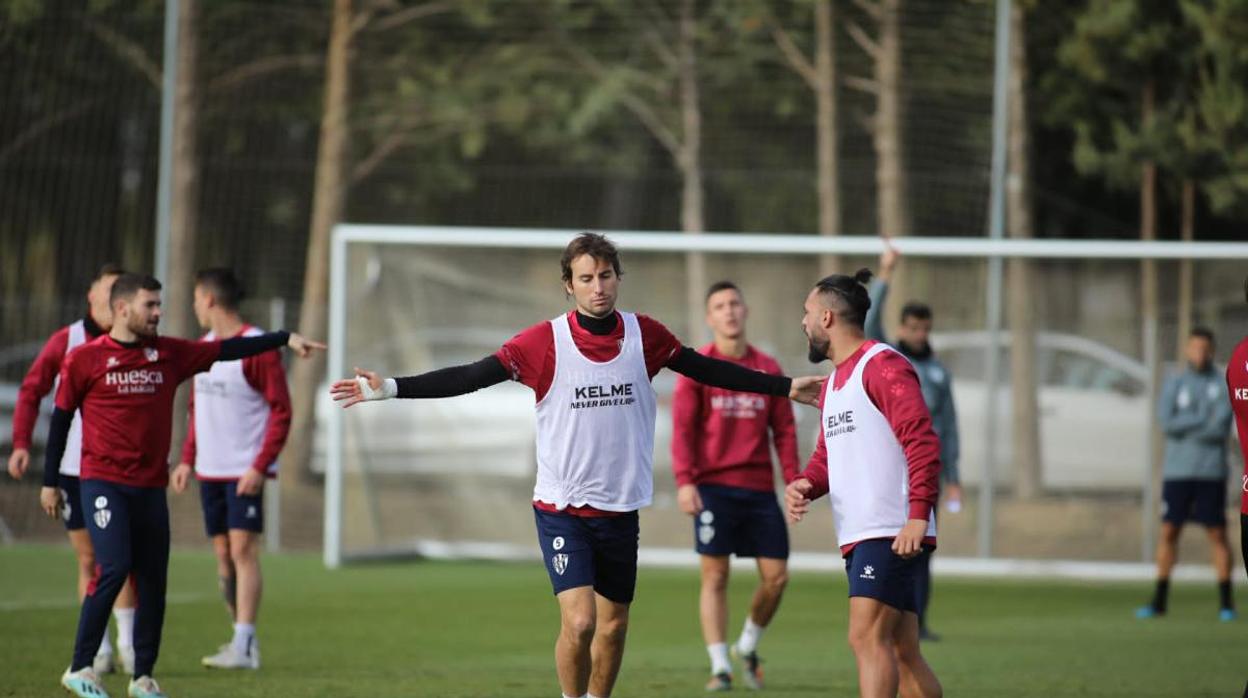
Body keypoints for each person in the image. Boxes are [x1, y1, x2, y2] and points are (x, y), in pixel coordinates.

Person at [331, 233, 823, 698]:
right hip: (561, 507)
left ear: (617, 278)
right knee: (582, 621)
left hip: (619, 510)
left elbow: (706, 368)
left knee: (613, 627)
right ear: (568, 285)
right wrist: (391, 387)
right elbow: (470, 376)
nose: (598, 287)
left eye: (606, 275)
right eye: (586, 278)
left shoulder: (644, 335)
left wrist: (782, 387)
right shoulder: (542, 343)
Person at [53, 273, 323, 698]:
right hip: (103, 483)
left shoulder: (171, 354)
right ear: (123, 309)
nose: (159, 313)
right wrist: (51, 481)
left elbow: (230, 348)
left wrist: (283, 338)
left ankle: (143, 677)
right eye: (151, 306)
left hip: (149, 487)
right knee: (114, 566)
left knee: (154, 578)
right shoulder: (86, 359)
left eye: (161, 305)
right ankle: (81, 665)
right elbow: (60, 420)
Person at [785, 269, 943, 698]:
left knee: (865, 639)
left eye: (807, 313)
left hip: (890, 530)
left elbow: (922, 441)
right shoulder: (834, 381)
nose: (803, 322)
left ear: (828, 319)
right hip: (865, 533)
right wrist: (805, 484)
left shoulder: (883, 365)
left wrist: (916, 516)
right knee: (902, 648)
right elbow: (827, 457)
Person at [7, 263, 138, 674]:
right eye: (108, 289)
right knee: (89, 559)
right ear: (93, 296)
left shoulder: (139, 343)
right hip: (73, 469)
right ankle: (98, 649)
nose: (113, 296)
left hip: (120, 469)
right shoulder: (69, 340)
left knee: (120, 559)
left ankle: (130, 644)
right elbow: (32, 389)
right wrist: (23, 443)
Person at [670, 281, 799, 691]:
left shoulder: (768, 368)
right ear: (710, 317)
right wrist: (685, 481)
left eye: (734, 304)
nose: (729, 311)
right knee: (715, 576)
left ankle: (748, 643)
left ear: (745, 312)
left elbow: (785, 430)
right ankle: (719, 664)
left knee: (777, 577)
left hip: (759, 489)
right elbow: (682, 430)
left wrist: (796, 480)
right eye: (720, 306)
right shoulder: (697, 368)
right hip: (713, 489)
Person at [171, 268, 292, 670]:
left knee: (243, 550)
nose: (193, 307)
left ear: (208, 299)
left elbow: (281, 410)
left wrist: (260, 466)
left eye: (194, 299)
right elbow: (195, 410)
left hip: (244, 471)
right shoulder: (202, 348)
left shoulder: (257, 347)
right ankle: (242, 639)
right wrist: (187, 458)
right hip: (210, 471)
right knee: (223, 555)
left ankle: (243, 644)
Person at [864, 244, 960, 641]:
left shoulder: (937, 373)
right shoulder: (887, 358)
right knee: (886, 545)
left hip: (926, 471)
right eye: (913, 328)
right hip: (890, 469)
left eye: (925, 328)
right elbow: (869, 322)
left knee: (922, 547)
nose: (919, 334)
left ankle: (917, 619)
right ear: (902, 328)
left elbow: (950, 428)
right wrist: (886, 273)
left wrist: (953, 475)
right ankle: (885, 616)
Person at [1137, 327, 1236, 622]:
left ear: (1212, 351)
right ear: (1187, 350)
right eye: (1195, 348)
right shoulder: (1175, 383)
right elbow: (1167, 422)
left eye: (1205, 349)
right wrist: (1200, 418)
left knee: (1217, 533)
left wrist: (1188, 423)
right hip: (1178, 471)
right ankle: (1159, 601)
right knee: (1169, 531)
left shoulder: (1221, 384)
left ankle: (1226, 603)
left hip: (1210, 471)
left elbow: (1219, 428)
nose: (1200, 354)